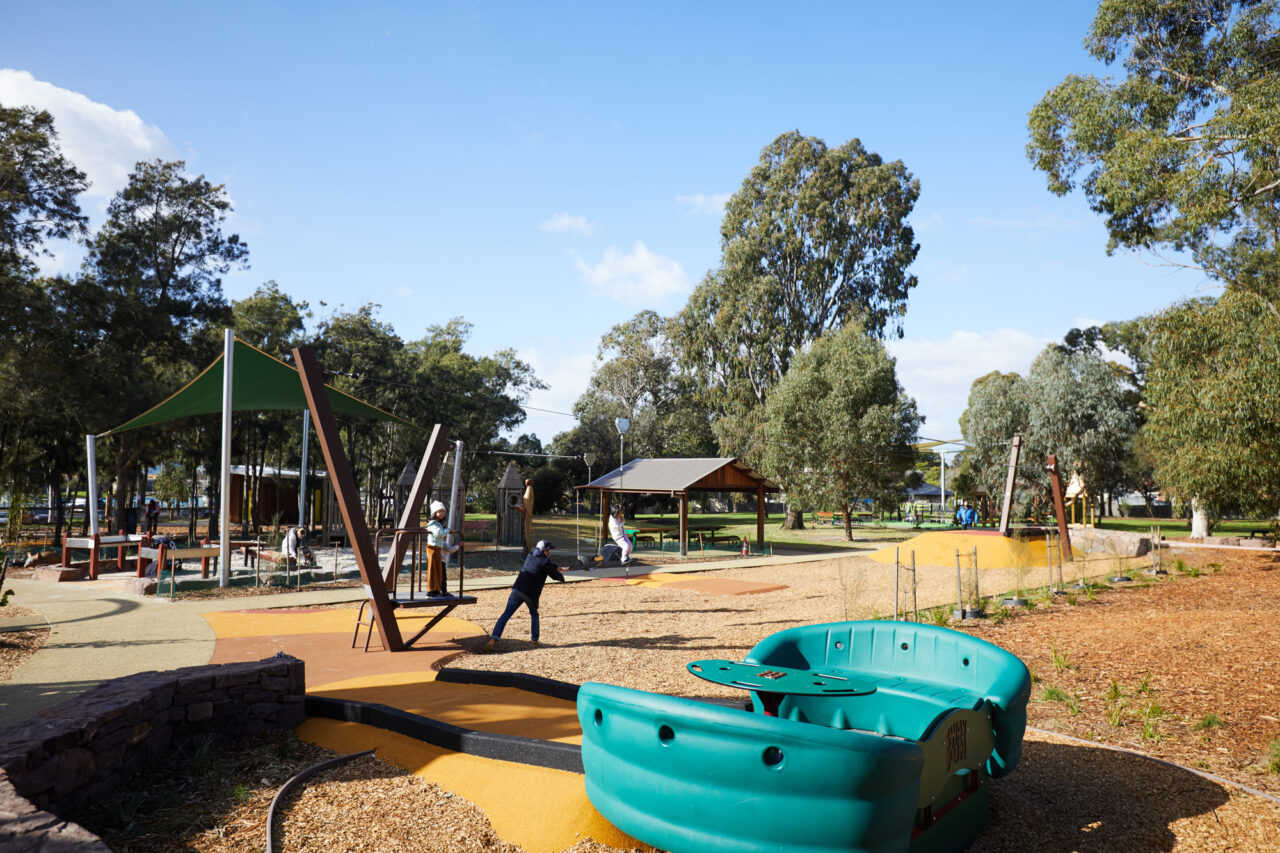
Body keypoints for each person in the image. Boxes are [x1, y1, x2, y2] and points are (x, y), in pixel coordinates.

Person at [483, 539, 566, 651]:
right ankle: (534, 640)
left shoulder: (530, 555)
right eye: (548, 550)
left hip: (517, 589)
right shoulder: (545, 562)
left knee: (506, 614)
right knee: (534, 614)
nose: (549, 552)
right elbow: (554, 574)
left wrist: (557, 567)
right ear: (544, 551)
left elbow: (547, 564)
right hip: (530, 594)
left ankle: (494, 638)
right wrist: (562, 577)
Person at [425, 500, 460, 597]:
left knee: (437, 570)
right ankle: (431, 591)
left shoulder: (438, 524)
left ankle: (436, 590)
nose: (442, 513)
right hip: (433, 549)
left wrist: (446, 530)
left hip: (437, 549)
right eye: (439, 511)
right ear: (434, 513)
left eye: (443, 511)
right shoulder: (433, 523)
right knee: (433, 570)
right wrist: (448, 530)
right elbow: (438, 534)